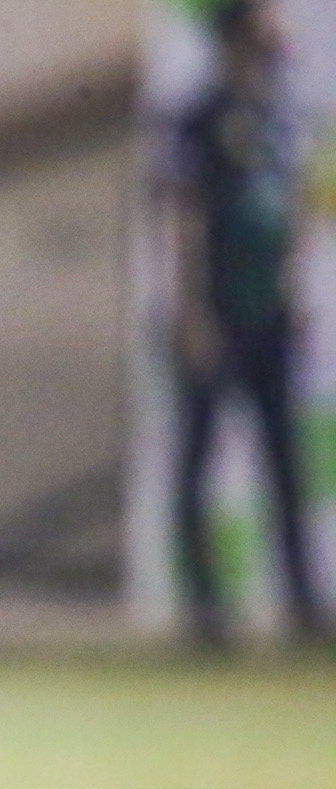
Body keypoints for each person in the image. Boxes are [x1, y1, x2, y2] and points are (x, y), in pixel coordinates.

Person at [169, 0, 326, 644]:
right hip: (217, 310)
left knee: (283, 460)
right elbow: (184, 215)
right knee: (199, 458)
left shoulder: (281, 113)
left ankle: (302, 603)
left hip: (271, 313)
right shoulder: (201, 116)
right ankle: (204, 608)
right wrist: (193, 311)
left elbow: (290, 209)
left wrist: (297, 291)